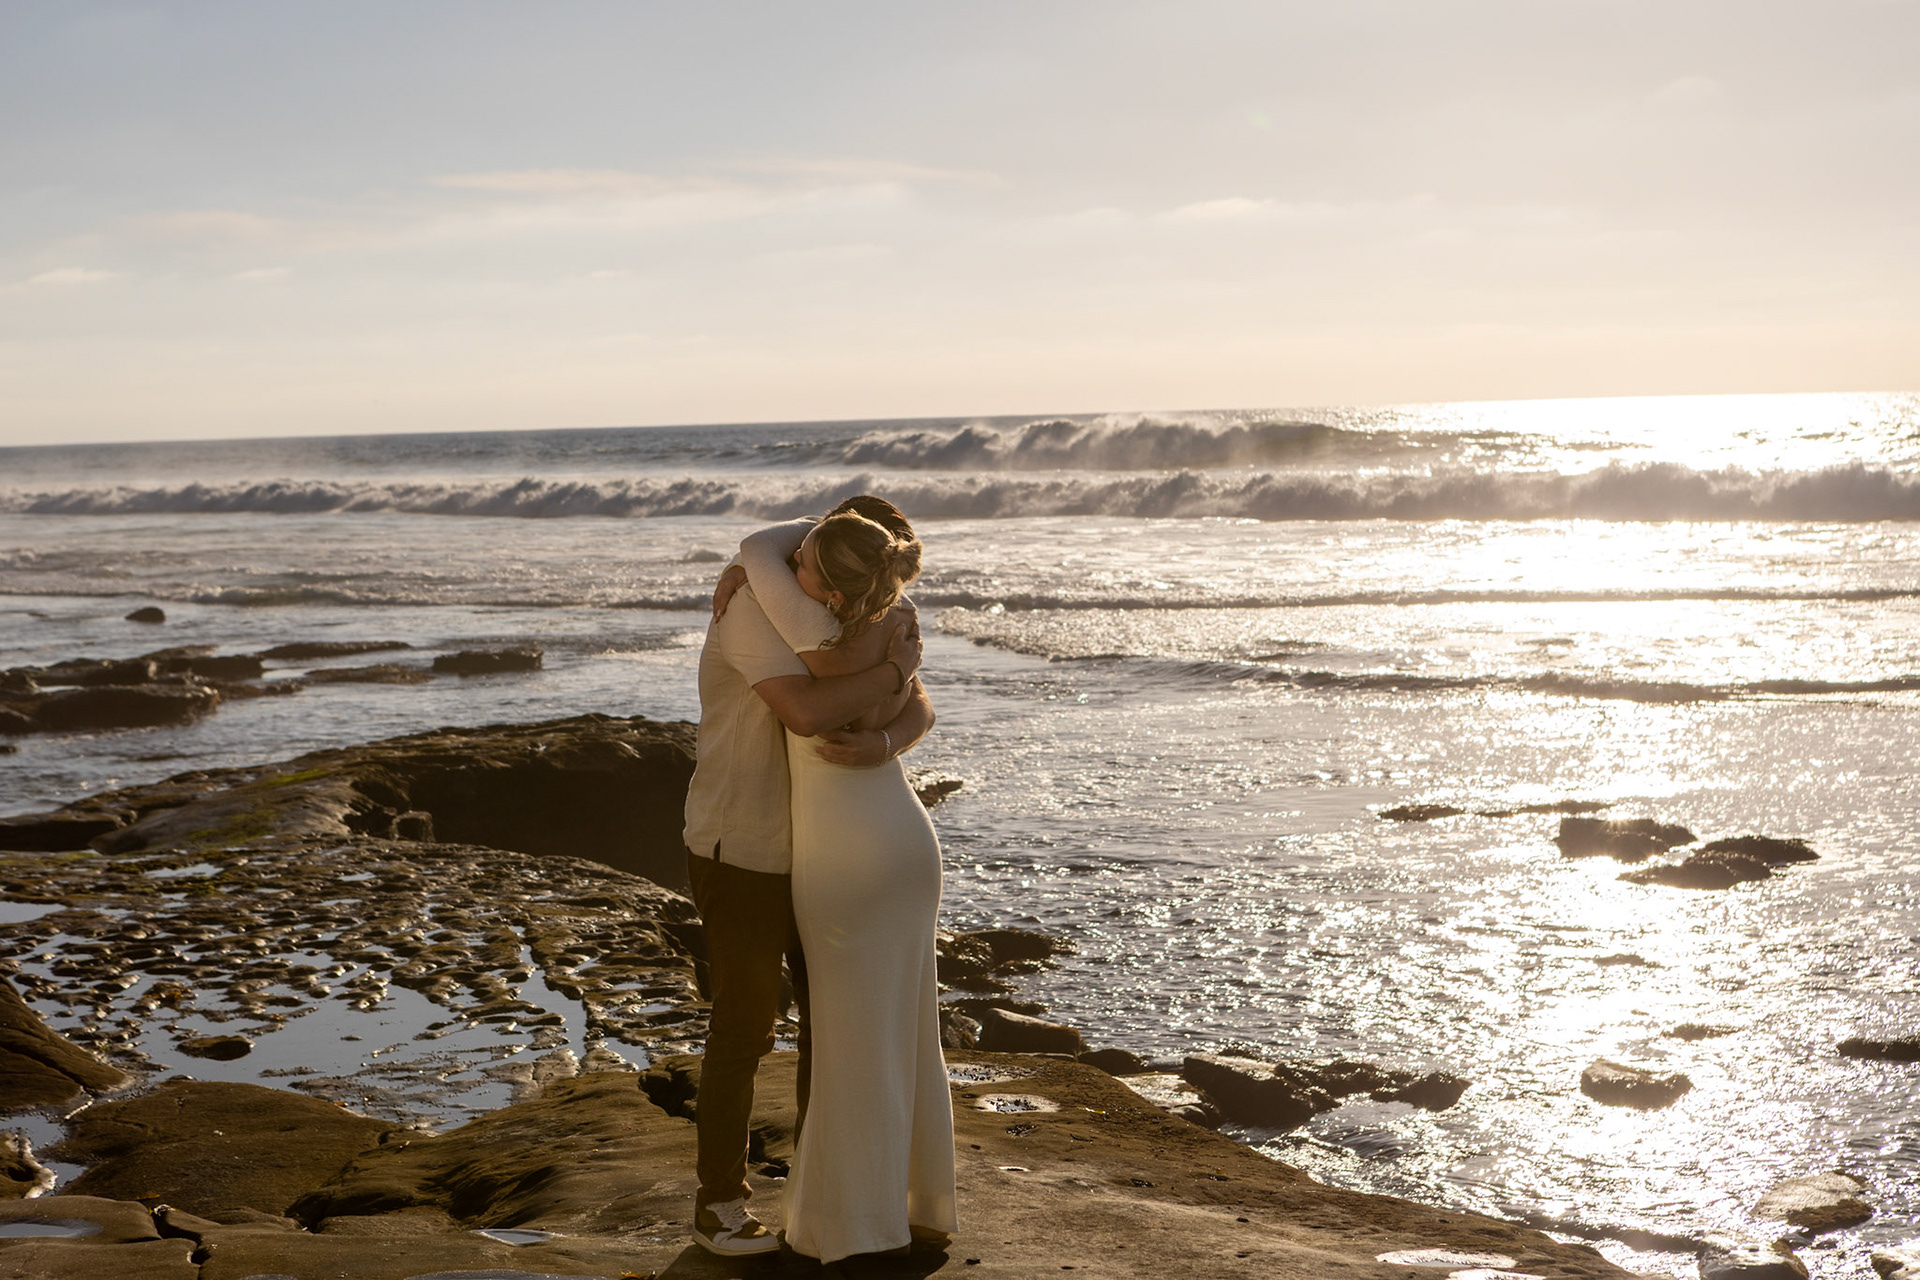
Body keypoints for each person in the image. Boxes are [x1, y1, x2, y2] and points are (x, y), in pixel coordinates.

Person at [681, 500, 933, 1258]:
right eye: (792, 558)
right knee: (745, 1027)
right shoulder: (754, 612)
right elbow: (806, 712)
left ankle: (824, 1199)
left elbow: (919, 705)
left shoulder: (846, 620)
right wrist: (894, 666)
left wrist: (888, 735)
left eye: (805, 567)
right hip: (744, 845)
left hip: (829, 851)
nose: (790, 572)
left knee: (834, 1027)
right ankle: (718, 1204)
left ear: (834, 587)